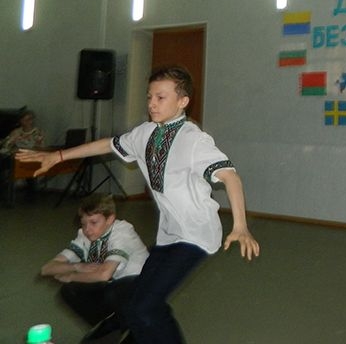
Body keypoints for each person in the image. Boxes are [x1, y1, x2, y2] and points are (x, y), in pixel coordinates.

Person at [18, 65, 261, 344]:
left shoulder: (194, 140)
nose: (152, 104)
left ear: (183, 101)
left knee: (144, 308)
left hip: (197, 235)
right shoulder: (145, 133)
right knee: (137, 303)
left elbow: (230, 177)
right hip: (169, 234)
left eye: (161, 97)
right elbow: (107, 144)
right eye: (149, 97)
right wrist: (59, 156)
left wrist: (240, 226)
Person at [41, 193, 148, 342]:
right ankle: (112, 327)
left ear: (110, 219)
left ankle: (130, 328)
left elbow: (104, 274)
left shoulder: (122, 233)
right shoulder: (86, 235)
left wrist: (71, 275)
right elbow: (47, 268)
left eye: (93, 222)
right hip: (115, 288)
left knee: (113, 290)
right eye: (84, 223)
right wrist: (78, 266)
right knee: (69, 290)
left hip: (141, 288)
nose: (87, 229)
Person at [1, 109, 45, 204]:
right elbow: (6, 145)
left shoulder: (37, 132)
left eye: (30, 119)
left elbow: (39, 147)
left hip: (31, 157)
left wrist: (26, 150)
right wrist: (12, 147)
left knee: (29, 169)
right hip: (15, 156)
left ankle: (31, 195)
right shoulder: (16, 132)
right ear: (21, 121)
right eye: (26, 119)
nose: (28, 122)